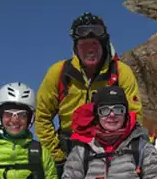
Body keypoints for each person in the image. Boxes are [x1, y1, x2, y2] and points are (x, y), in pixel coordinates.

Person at [35, 12, 142, 167]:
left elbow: (134, 115)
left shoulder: (120, 72)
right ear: (75, 48)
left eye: (94, 44)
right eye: (84, 45)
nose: (90, 50)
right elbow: (42, 117)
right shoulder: (58, 73)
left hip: (111, 151)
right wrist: (57, 155)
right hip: (68, 153)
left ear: (103, 44)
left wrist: (124, 151)